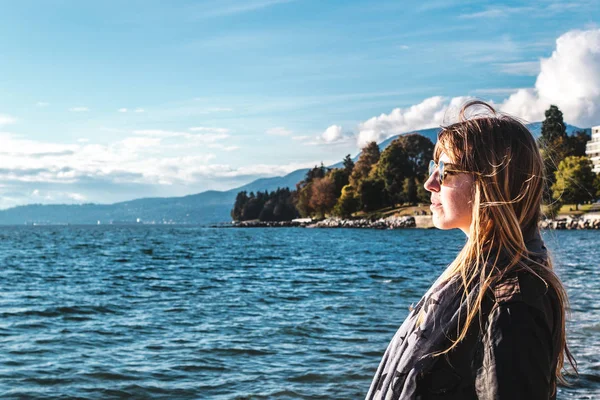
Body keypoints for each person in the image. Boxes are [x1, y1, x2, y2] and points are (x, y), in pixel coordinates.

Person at [366, 101, 576, 400]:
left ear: (490, 183)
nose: (430, 183)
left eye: (445, 171)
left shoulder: (512, 303)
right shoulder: (478, 280)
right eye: (432, 167)